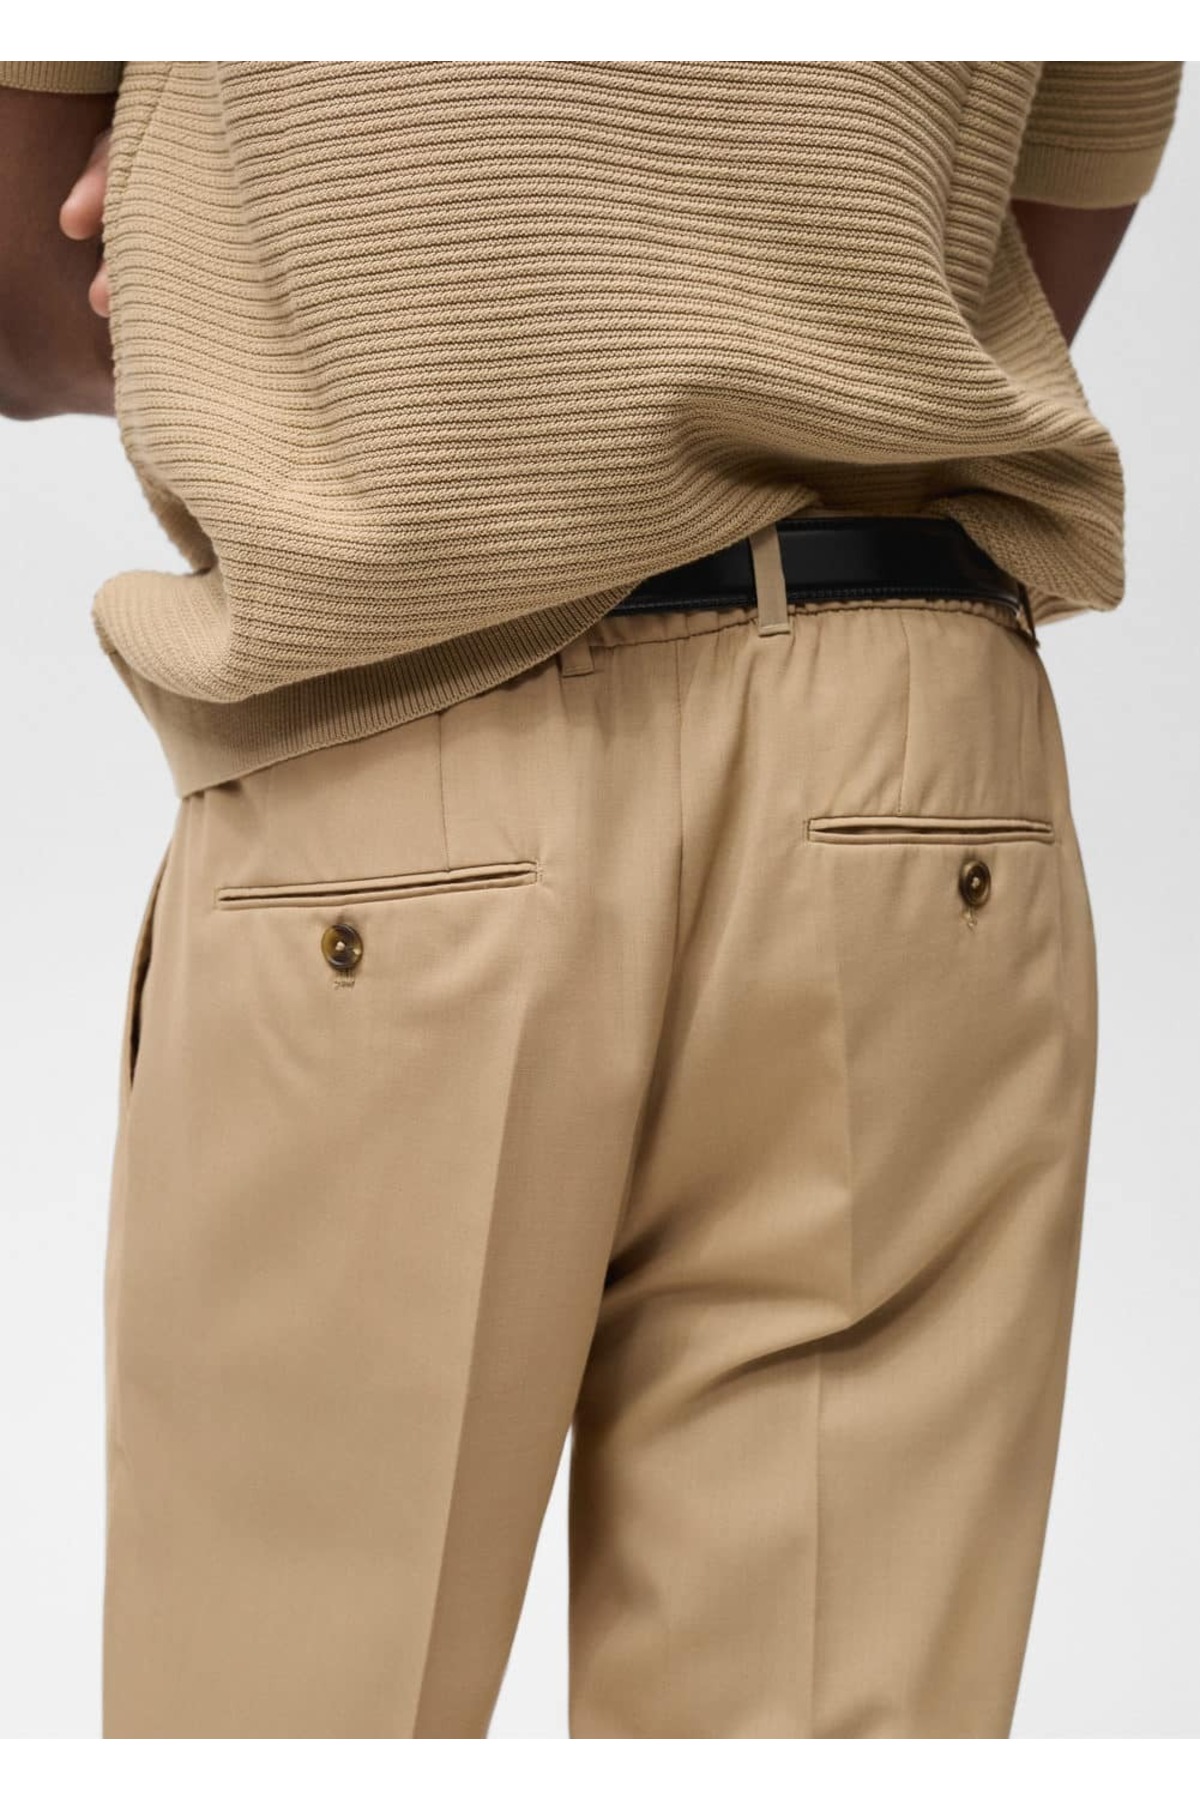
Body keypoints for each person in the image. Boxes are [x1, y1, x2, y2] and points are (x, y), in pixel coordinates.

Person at [0, 59, 1183, 1740]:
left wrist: (250, 254)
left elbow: (25, 281)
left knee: (285, 1732)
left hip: (410, 762)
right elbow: (1019, 247)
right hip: (907, 767)